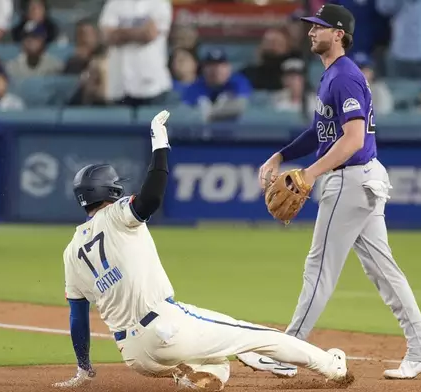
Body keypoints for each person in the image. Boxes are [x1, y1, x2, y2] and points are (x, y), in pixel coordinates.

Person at [53, 110, 351, 391]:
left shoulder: (71, 252)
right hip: (166, 327)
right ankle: (331, 366)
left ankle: (193, 376)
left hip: (134, 356)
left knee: (217, 365)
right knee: (259, 335)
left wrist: (84, 368)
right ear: (109, 191)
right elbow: (152, 197)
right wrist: (160, 144)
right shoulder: (118, 214)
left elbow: (77, 319)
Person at [235, 4, 421, 381]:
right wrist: (281, 155)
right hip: (361, 177)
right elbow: (321, 132)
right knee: (384, 269)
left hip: (350, 179)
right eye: (311, 26)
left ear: (339, 33)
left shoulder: (344, 76)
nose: (311, 32)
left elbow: (353, 139)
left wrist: (310, 173)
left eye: (319, 27)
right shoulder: (333, 75)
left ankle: (288, 351)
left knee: (318, 270)